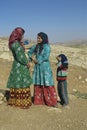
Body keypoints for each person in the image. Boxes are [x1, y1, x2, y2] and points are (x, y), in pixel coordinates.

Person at [28, 32, 57, 107]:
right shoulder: (36, 46)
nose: (38, 39)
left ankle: (51, 101)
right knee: (38, 82)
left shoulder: (47, 47)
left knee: (47, 82)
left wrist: (38, 60)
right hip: (38, 67)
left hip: (45, 67)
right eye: (37, 38)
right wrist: (32, 59)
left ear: (43, 38)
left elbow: (46, 56)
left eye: (39, 38)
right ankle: (39, 100)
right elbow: (30, 53)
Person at [7, 27, 32, 109]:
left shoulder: (15, 43)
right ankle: (22, 102)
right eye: (22, 35)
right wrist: (27, 63)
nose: (23, 37)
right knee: (22, 82)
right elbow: (20, 56)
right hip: (20, 66)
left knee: (18, 81)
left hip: (17, 66)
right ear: (18, 35)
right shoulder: (16, 44)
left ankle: (16, 100)